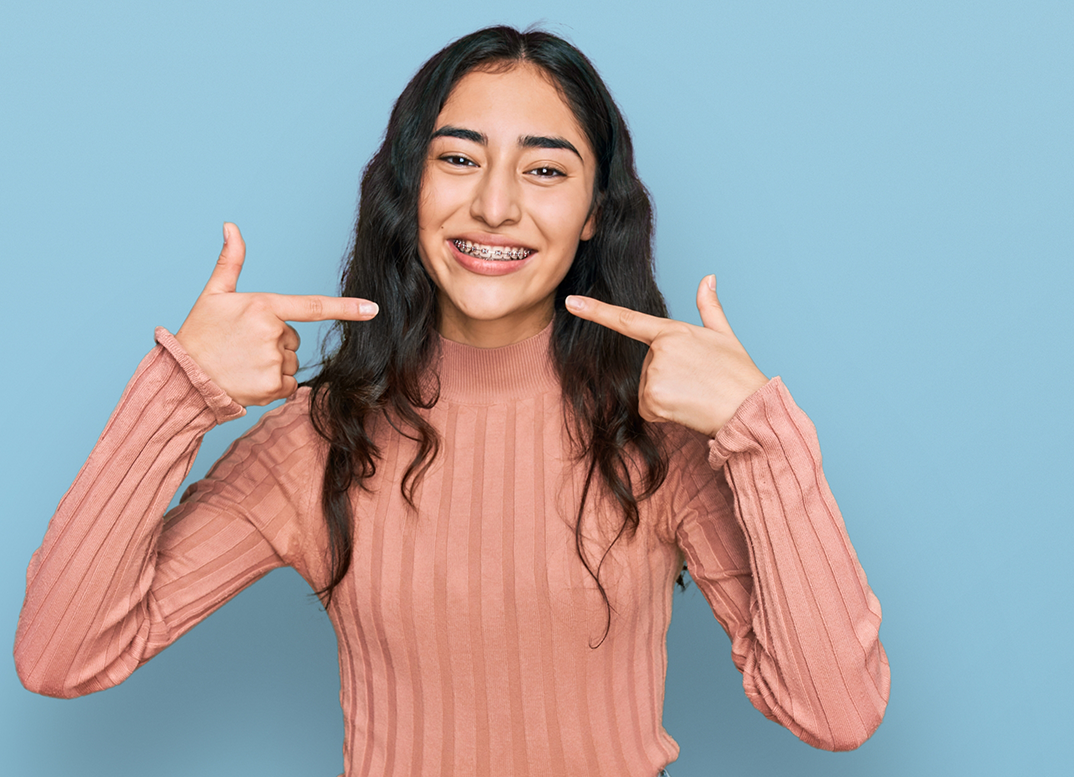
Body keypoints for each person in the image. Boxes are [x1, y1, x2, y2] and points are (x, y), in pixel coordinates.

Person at [14, 25, 889, 777]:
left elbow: (835, 712)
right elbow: (62, 655)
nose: (496, 205)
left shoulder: (659, 435)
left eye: (545, 169)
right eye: (459, 159)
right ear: (411, 189)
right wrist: (177, 395)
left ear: (594, 213)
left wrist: (759, 434)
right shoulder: (323, 440)